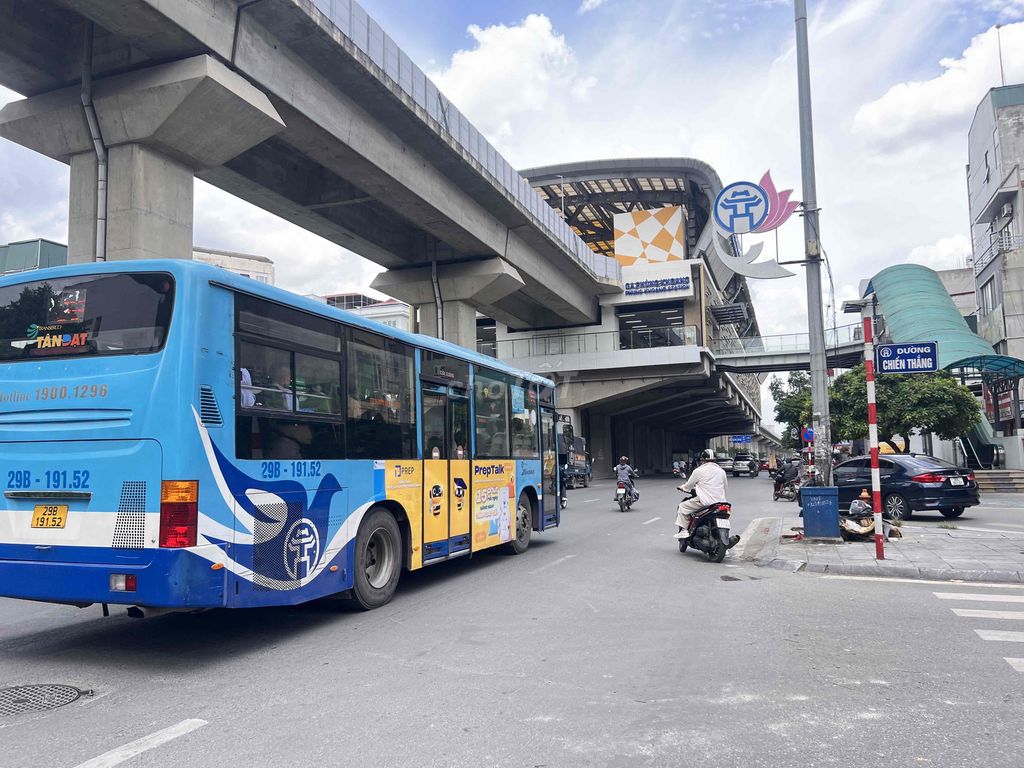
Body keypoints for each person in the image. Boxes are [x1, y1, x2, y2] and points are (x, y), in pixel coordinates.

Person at [674, 449, 727, 540]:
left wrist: (682, 487)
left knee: (683, 506)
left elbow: (688, 486)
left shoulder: (698, 471)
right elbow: (725, 487)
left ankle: (683, 531)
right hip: (720, 502)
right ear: (715, 459)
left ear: (702, 459)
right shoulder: (721, 471)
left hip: (704, 501)